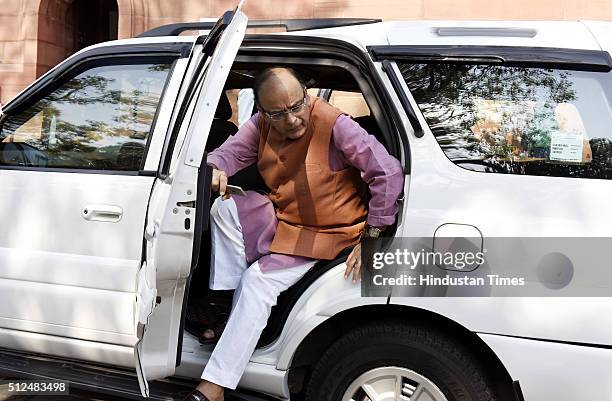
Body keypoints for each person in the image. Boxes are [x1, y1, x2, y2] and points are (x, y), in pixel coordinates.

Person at [184, 67, 403, 401]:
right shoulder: (260, 125)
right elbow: (227, 154)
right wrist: (215, 170)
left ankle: (215, 386)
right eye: (278, 113)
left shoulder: (335, 124)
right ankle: (227, 305)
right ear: (262, 110)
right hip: (287, 220)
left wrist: (373, 235)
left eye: (297, 106)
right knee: (224, 208)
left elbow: (386, 172)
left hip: (329, 232)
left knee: (257, 281)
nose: (291, 119)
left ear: (306, 93)